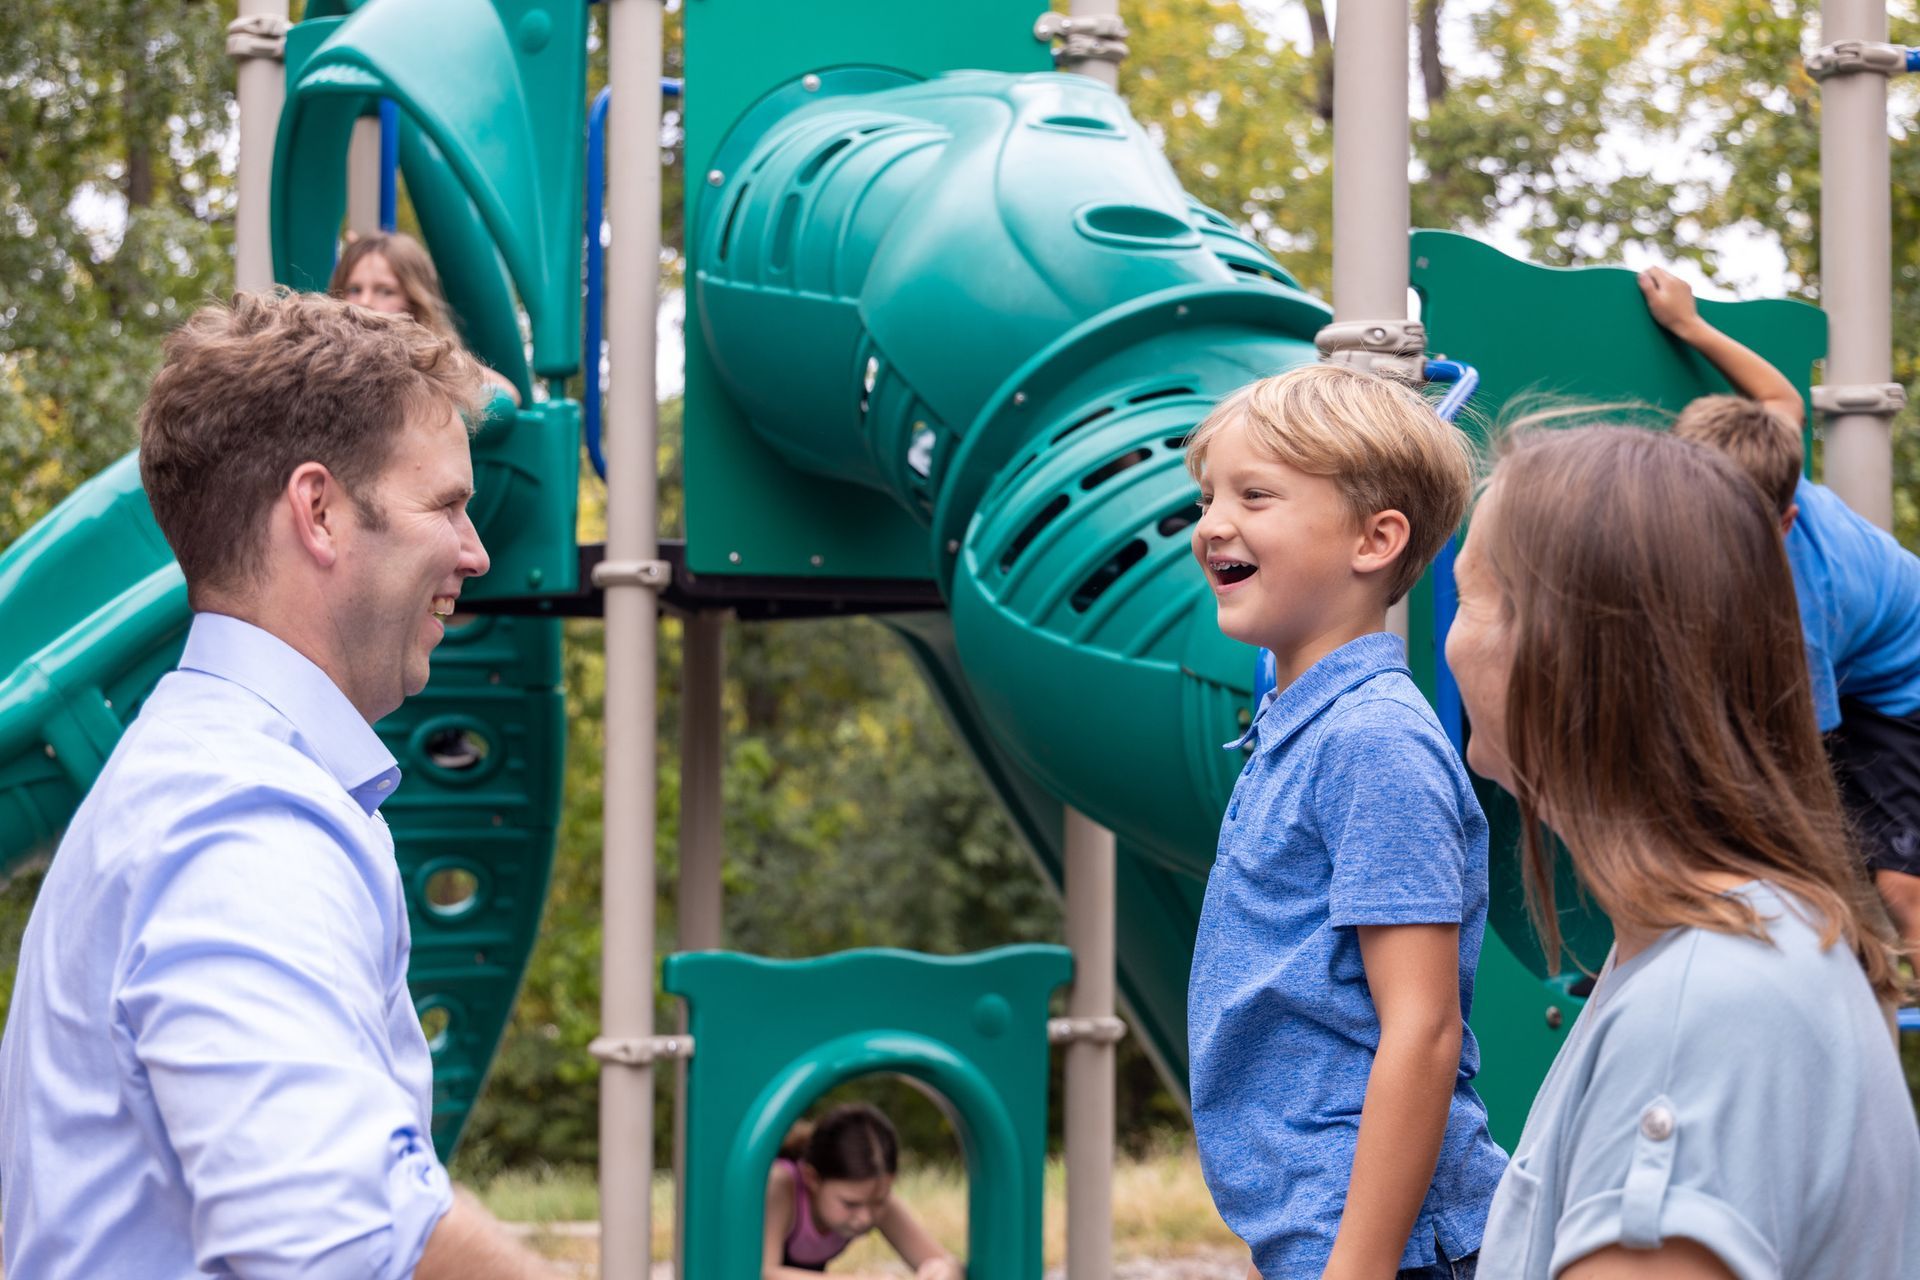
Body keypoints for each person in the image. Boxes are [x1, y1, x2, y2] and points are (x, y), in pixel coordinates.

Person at [0, 291, 563, 1279]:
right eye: (445, 504)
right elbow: (342, 1241)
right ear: (319, 512)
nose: (476, 550)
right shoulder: (238, 820)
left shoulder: (200, 776)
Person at [1451, 425, 1920, 1279]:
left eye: (1465, 598)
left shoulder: (1700, 1014)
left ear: (1554, 648)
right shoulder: (1743, 937)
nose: (1450, 638)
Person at [1184, 363, 1506, 1279]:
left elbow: (1423, 1028)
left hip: (1379, 1246)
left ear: (1376, 539)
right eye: (1209, 496)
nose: (1212, 523)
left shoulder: (1372, 742)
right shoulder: (1300, 729)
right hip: (1324, 1228)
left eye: (1255, 495)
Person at [1641, 264, 1920, 954]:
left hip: (1901, 688)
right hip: (1859, 653)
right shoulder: (1768, 450)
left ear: (1784, 521)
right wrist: (1688, 324)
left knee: (1897, 884)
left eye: (1726, 527)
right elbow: (1779, 396)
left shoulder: (1802, 611)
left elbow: (1803, 752)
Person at [761, 1103, 962, 1279]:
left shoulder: (871, 1197)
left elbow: (942, 1261)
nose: (865, 1218)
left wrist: (945, 1270)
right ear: (812, 1178)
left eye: (879, 1201)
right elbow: (763, 1274)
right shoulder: (780, 1187)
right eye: (850, 1204)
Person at [333, 230, 522, 405]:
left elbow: (508, 393)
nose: (365, 301)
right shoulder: (329, 357)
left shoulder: (429, 359)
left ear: (414, 304)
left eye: (385, 291)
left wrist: (431, 357)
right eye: (354, 289)